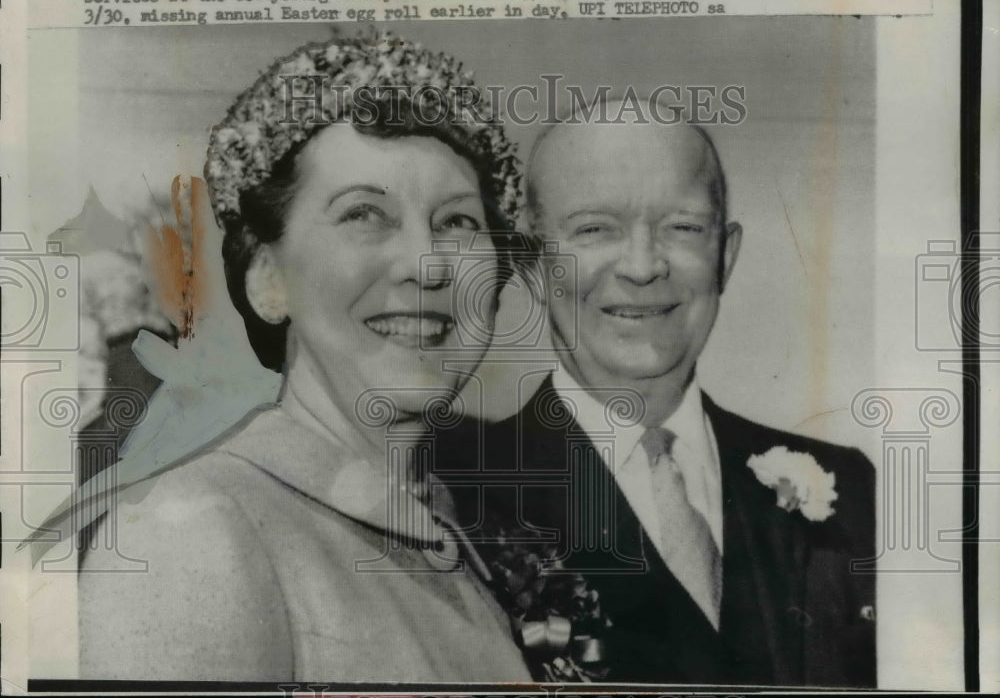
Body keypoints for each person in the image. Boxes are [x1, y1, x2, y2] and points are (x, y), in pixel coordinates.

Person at [77, 35, 533, 683]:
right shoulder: (192, 534)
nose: (425, 266)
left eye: (458, 223)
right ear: (268, 280)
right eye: (364, 214)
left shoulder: (454, 540)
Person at [450, 99, 876, 686]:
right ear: (533, 264)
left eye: (682, 228)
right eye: (595, 228)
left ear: (724, 255)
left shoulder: (851, 490)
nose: (644, 267)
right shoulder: (456, 494)